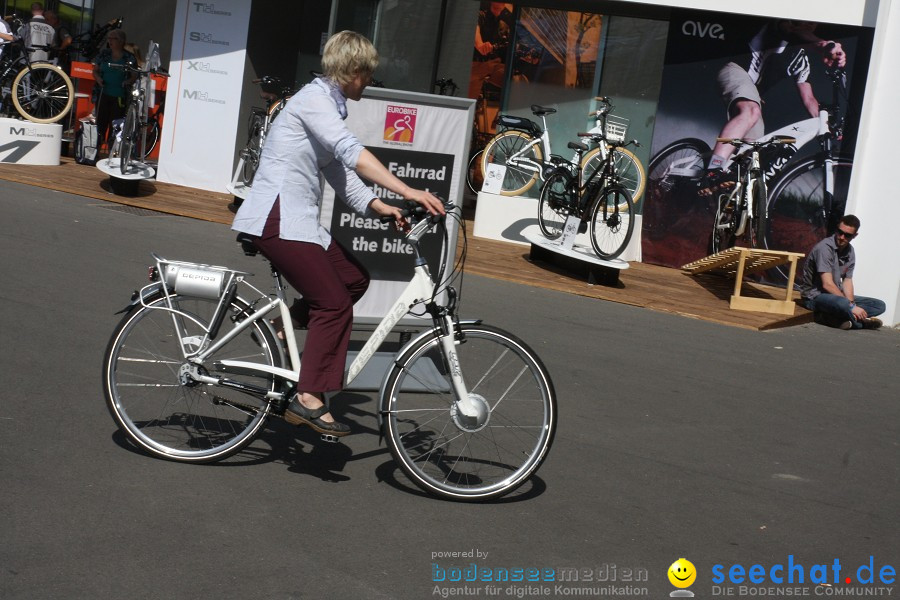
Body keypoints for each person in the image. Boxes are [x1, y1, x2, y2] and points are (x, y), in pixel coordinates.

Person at [231, 31, 444, 436]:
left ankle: (289, 322)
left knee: (353, 280)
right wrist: (409, 189)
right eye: (367, 74)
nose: (369, 81)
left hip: (297, 218)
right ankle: (308, 396)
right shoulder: (313, 101)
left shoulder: (327, 105)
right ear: (351, 71)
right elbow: (351, 153)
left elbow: (337, 173)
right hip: (277, 217)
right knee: (333, 305)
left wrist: (380, 206)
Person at [699, 20, 848, 194]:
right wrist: (825, 44)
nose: (807, 26)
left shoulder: (800, 59)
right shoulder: (780, 28)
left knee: (751, 150)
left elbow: (809, 99)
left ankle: (718, 181)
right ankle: (713, 170)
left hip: (752, 92)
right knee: (751, 111)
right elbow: (793, 31)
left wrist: (826, 126)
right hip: (735, 71)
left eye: (812, 24)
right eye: (804, 21)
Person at [799, 214, 885, 330]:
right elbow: (827, 284)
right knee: (843, 304)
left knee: (879, 305)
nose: (842, 237)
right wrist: (850, 306)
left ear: (855, 236)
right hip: (814, 297)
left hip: (835, 296)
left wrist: (851, 304)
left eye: (847, 235)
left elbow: (847, 281)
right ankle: (859, 323)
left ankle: (839, 318)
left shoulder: (850, 251)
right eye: (840, 232)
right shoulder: (824, 248)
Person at [91, 29, 136, 155]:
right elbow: (95, 70)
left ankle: (112, 153)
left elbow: (134, 75)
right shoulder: (104, 54)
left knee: (115, 125)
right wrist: (98, 78)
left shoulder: (129, 57)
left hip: (119, 96)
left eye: (113, 38)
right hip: (103, 93)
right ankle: (95, 152)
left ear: (121, 41)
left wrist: (128, 82)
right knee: (100, 123)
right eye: (109, 38)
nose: (109, 41)